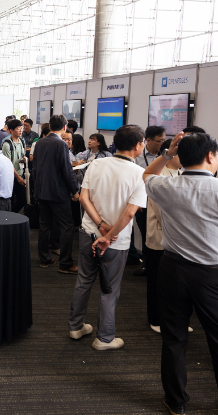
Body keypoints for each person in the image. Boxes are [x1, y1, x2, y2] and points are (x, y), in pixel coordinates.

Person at [143, 132, 218, 415]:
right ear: (210, 156)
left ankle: (176, 401)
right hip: (213, 277)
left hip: (172, 271)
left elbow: (146, 173)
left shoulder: (164, 186)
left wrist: (168, 154)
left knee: (174, 339)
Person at [69, 125, 147, 350]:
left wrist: (101, 226)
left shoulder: (97, 163)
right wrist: (109, 232)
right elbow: (130, 212)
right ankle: (104, 338)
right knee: (109, 287)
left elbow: (84, 198)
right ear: (137, 145)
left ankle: (75, 327)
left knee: (84, 281)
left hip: (88, 232)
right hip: (116, 241)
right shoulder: (139, 174)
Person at [31, 114, 80, 274]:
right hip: (58, 192)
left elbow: (36, 168)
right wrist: (74, 190)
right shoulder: (61, 145)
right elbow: (67, 171)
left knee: (44, 225)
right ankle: (65, 263)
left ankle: (44, 258)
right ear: (65, 127)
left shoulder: (40, 143)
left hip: (41, 190)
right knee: (67, 225)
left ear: (50, 126)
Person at [145, 138, 184, 334]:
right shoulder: (160, 176)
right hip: (160, 237)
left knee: (175, 285)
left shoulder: (181, 173)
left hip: (177, 240)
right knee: (157, 282)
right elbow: (163, 211)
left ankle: (175, 319)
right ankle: (155, 318)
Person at [131, 125, 167, 276]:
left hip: (161, 203)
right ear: (149, 141)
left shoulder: (165, 157)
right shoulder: (137, 157)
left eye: (164, 140)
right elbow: (132, 181)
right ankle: (147, 265)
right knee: (147, 236)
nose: (162, 144)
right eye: (160, 141)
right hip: (143, 203)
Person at [2, 119, 28, 214]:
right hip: (11, 177)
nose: (21, 130)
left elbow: (22, 155)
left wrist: (24, 158)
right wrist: (18, 178)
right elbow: (8, 165)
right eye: (18, 128)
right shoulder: (7, 144)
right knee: (11, 199)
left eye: (21, 128)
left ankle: (12, 215)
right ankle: (9, 218)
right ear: (11, 130)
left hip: (20, 174)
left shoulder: (21, 141)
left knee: (22, 199)